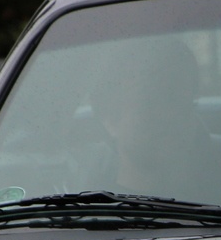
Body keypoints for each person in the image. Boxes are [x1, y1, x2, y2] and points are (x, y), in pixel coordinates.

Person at [85, 36, 207, 198]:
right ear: (110, 120)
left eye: (180, 101)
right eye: (150, 102)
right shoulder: (90, 208)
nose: (169, 114)